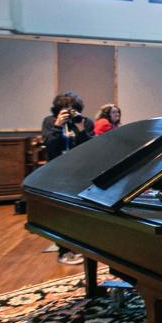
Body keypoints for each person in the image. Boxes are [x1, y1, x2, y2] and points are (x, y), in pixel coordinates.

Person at [41, 92, 94, 265]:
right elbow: (50, 146)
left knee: (80, 211)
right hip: (57, 173)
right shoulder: (49, 121)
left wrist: (79, 128)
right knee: (61, 213)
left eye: (73, 110)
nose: (69, 113)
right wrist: (57, 126)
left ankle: (80, 247)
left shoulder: (85, 122)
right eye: (65, 110)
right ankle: (63, 250)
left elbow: (91, 148)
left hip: (80, 172)